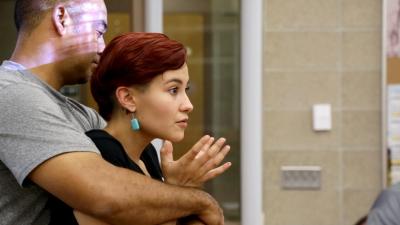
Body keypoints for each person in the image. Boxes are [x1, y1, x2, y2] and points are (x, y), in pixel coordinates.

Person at [0, 0, 229, 224]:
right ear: (62, 18)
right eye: (99, 32)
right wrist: (201, 202)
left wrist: (175, 190)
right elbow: (105, 196)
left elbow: (134, 191)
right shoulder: (10, 92)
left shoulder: (81, 115)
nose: (102, 48)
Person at [48, 32, 231, 225]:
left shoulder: (146, 154)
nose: (188, 105)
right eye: (173, 90)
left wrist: (175, 187)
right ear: (127, 98)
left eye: (185, 90)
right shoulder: (102, 152)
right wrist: (183, 194)